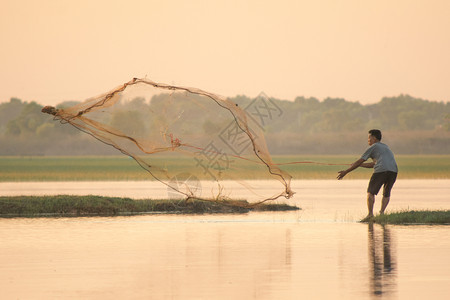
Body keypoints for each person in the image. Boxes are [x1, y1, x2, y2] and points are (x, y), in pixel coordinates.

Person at [337, 129, 398, 222]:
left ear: (374, 138)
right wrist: (360, 165)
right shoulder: (385, 147)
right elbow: (373, 164)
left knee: (370, 192)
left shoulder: (373, 147)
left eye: (369, 138)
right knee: (386, 193)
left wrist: (346, 172)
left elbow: (359, 161)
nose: (368, 140)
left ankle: (370, 214)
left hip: (381, 170)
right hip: (393, 171)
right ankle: (382, 214)